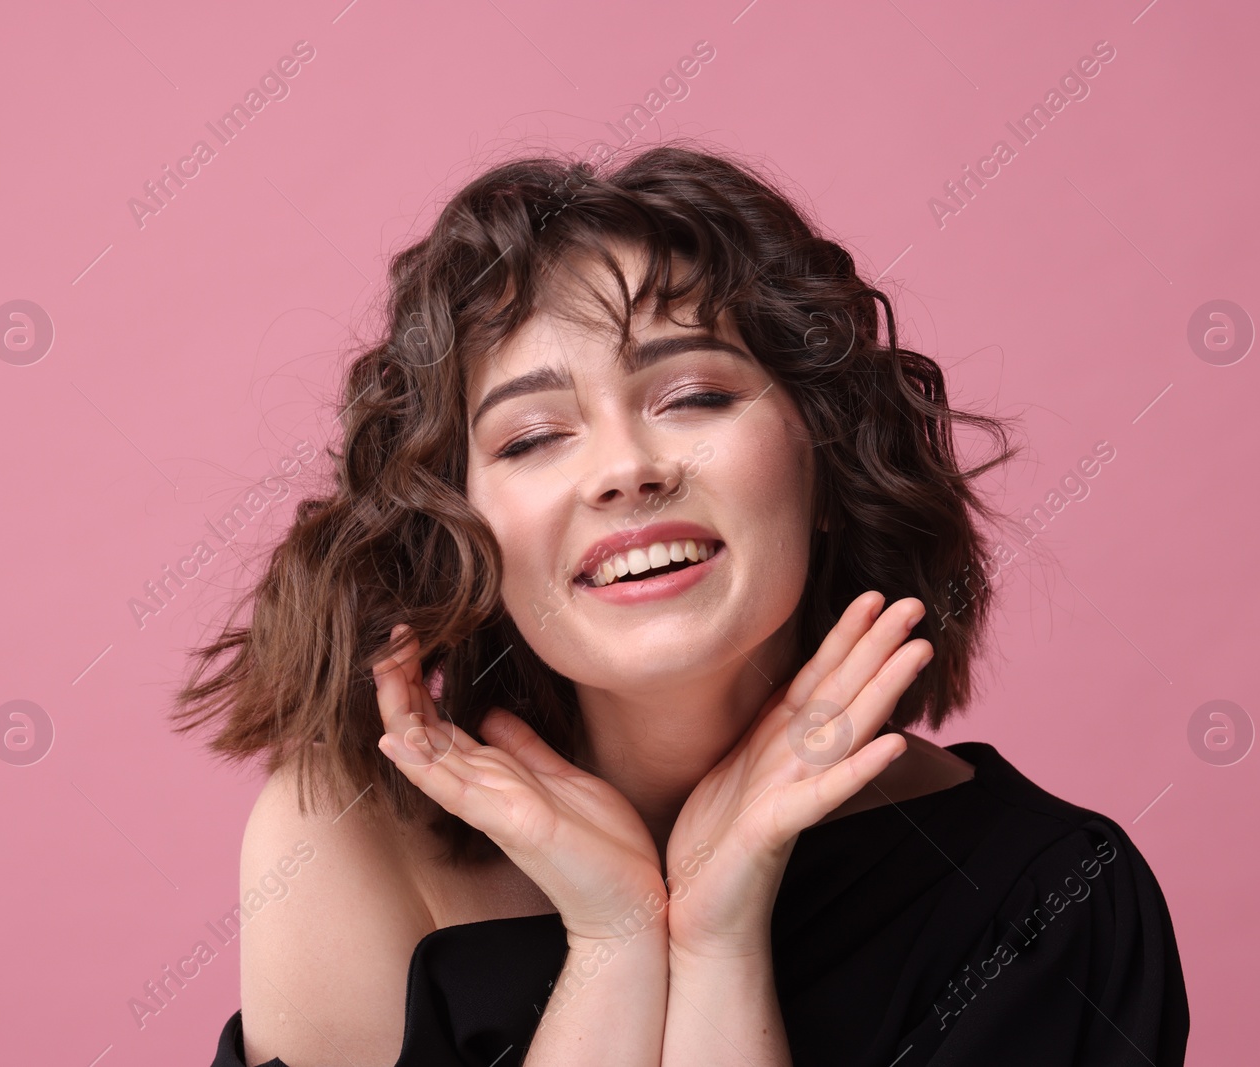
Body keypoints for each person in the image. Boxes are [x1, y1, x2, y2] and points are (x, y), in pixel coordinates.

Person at [173, 142, 1189, 1066]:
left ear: (825, 458)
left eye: (694, 396)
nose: (623, 470)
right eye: (529, 438)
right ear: (459, 529)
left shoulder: (1051, 895)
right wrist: (614, 937)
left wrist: (717, 935)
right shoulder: (344, 841)